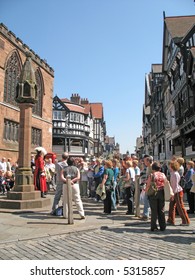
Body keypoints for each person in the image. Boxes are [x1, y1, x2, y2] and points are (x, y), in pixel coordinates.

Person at [167, 160, 190, 226]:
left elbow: (174, 185)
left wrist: (173, 194)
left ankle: (186, 220)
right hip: (175, 191)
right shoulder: (174, 173)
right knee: (171, 206)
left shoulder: (174, 174)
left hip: (176, 192)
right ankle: (170, 220)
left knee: (180, 206)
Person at [146, 161, 166, 231]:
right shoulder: (163, 174)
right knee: (161, 209)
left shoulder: (152, 175)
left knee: (154, 210)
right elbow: (166, 182)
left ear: (153, 168)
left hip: (154, 192)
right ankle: (163, 226)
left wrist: (146, 191)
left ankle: (154, 226)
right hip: (162, 192)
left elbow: (148, 184)